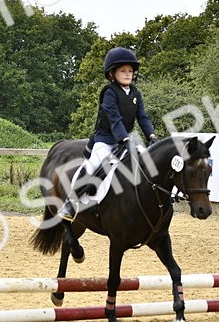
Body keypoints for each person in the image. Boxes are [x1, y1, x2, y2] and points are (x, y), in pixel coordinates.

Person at [59, 47, 156, 222]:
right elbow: (114, 119)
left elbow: (142, 117)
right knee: (93, 165)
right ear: (112, 73)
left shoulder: (135, 93)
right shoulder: (109, 92)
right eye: (123, 71)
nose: (128, 74)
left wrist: (151, 136)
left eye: (130, 71)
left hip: (126, 139)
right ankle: (71, 202)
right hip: (106, 139)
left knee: (149, 162)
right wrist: (124, 138)